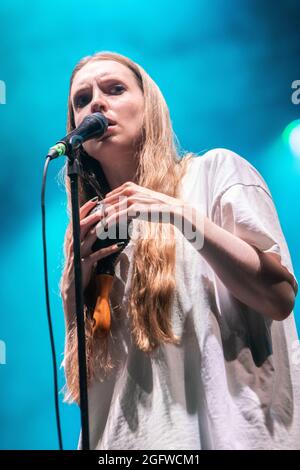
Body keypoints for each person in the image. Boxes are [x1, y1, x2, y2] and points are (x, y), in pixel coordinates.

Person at [59, 51, 300, 450]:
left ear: (149, 106)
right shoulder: (93, 235)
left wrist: (181, 218)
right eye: (82, 100)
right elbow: (99, 379)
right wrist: (75, 298)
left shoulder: (214, 173)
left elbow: (278, 297)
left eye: (115, 89)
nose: (96, 103)